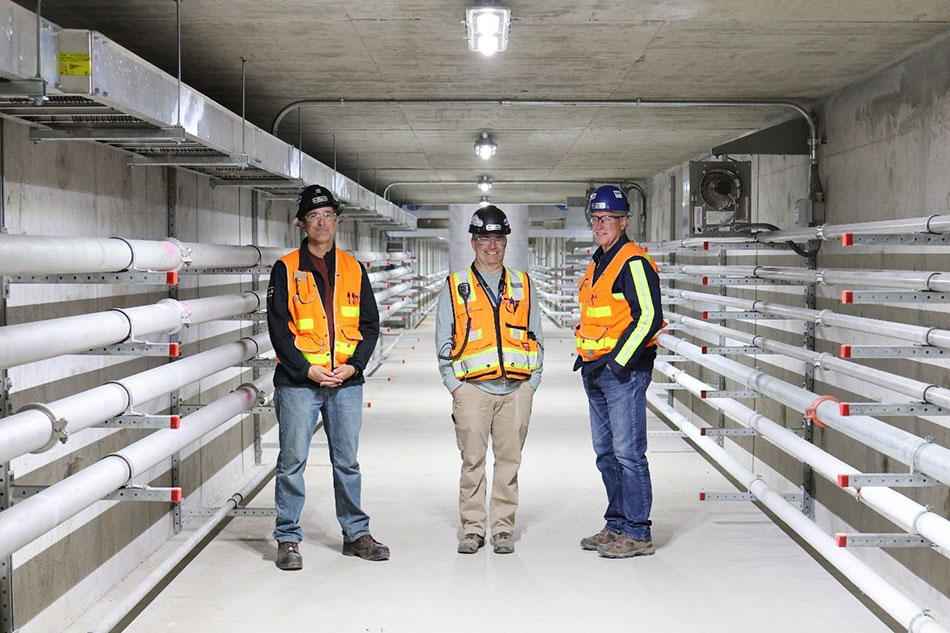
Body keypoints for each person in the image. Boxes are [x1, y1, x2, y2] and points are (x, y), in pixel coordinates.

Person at [266, 183, 389, 570]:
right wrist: (307, 368)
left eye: (329, 216)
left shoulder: (353, 268)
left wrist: (354, 366)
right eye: (314, 216)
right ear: (302, 224)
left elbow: (370, 325)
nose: (323, 223)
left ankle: (356, 534)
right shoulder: (286, 268)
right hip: (300, 383)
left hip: (346, 382)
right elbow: (278, 329)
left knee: (347, 462)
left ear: (337, 222)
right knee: (292, 461)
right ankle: (288, 538)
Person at [435, 205, 543, 555]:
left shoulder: (523, 284)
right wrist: (456, 387)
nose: (492, 246)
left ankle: (502, 529)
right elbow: (443, 343)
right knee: (473, 462)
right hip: (473, 391)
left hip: (516, 390)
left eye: (498, 239)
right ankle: (473, 528)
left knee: (509, 464)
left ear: (506, 242)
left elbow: (536, 336)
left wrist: (532, 383)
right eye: (485, 239)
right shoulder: (456, 286)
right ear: (473, 242)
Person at [574, 185, 664, 559]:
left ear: (623, 221)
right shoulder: (599, 262)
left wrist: (619, 362)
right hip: (595, 370)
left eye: (607, 218)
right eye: (596, 219)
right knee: (606, 454)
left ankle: (638, 532)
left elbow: (649, 317)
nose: (600, 225)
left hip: (622, 373)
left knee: (628, 454)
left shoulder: (634, 262)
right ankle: (616, 524)